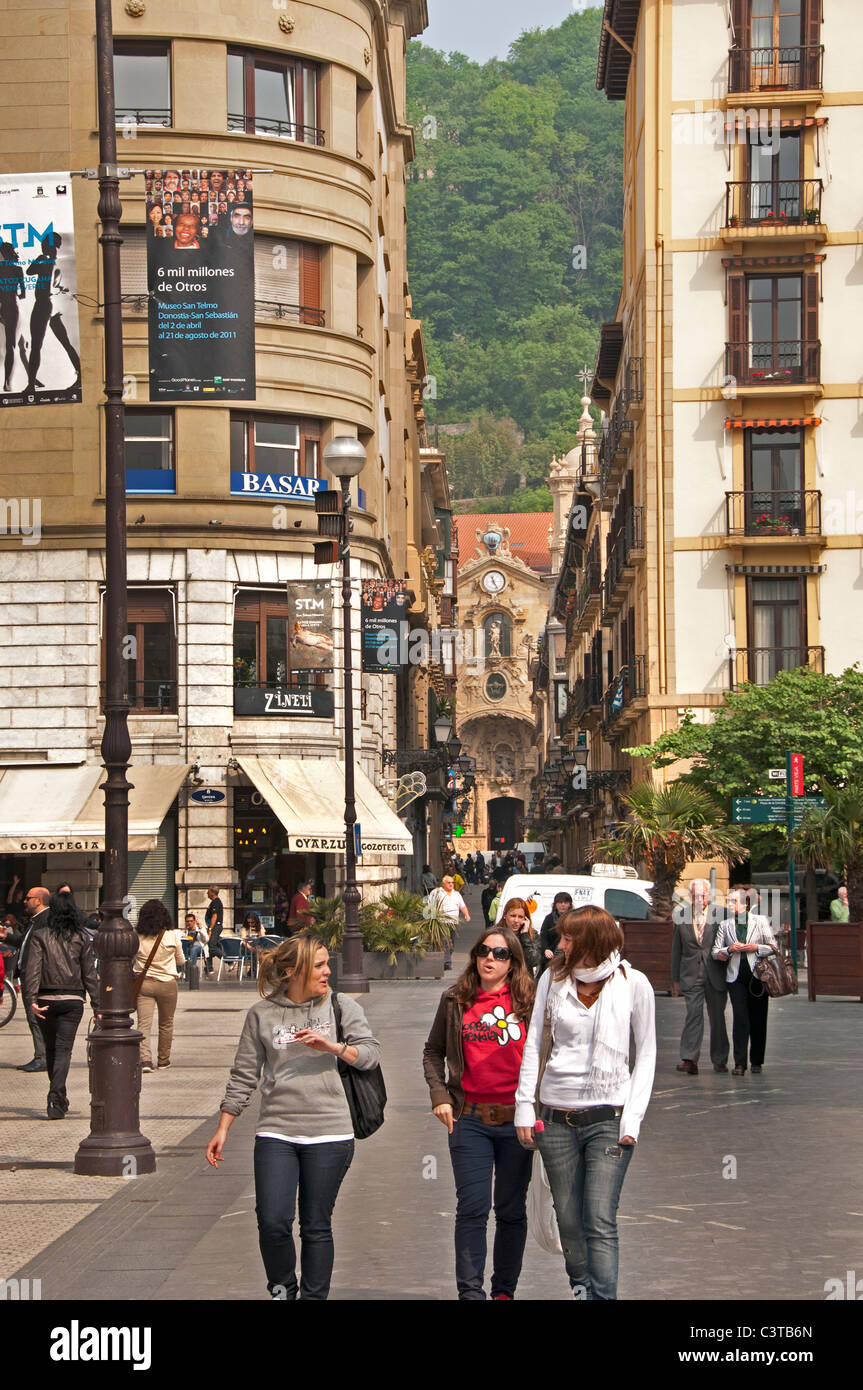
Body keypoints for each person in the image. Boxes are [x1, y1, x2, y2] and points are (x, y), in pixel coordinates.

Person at [206, 936, 380, 1300]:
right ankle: (283, 1290)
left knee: (316, 1226)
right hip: (276, 1131)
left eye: (326, 963)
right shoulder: (261, 1014)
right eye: (318, 965)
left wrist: (331, 1046)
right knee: (272, 1222)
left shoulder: (339, 1005)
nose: (327, 971)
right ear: (292, 972)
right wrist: (224, 1126)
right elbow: (243, 1075)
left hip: (330, 1132)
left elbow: (369, 1055)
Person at [515, 906, 656, 1301]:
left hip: (609, 1118)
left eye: (569, 938)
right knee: (569, 1219)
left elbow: (646, 1054)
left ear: (593, 941)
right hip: (555, 1117)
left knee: (599, 1218)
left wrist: (632, 1122)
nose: (560, 945)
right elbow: (533, 1043)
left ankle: (602, 1297)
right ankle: (582, 1287)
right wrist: (525, 1107)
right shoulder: (553, 979)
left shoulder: (634, 984)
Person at [423, 925, 536, 1300]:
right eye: (484, 951)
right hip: (468, 1118)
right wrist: (440, 1094)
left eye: (501, 954)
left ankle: (504, 1291)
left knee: (509, 1209)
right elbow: (432, 1051)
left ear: (513, 961)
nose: (490, 958)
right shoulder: (455, 999)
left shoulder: (529, 1002)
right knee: (472, 1206)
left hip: (516, 1123)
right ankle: (470, 1293)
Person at [22, 891, 99, 1118]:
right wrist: (98, 1006)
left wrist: (31, 1001)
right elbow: (90, 975)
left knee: (51, 1049)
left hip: (45, 999)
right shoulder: (81, 937)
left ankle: (56, 1096)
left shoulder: (40, 935)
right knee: (63, 1050)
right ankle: (57, 1097)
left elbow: (32, 972)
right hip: (72, 1000)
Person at [713, 887, 778, 1076]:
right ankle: (739, 1063)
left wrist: (756, 947)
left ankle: (757, 1060)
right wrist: (729, 949)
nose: (729, 904)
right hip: (736, 977)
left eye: (733, 901)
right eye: (728, 900)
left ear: (744, 903)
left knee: (758, 1018)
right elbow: (716, 951)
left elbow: (773, 946)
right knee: (740, 1018)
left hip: (758, 975)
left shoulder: (760, 921)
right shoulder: (725, 925)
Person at [671, 879, 730, 1075]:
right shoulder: (681, 916)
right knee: (693, 1015)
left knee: (718, 1018)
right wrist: (675, 980)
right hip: (691, 974)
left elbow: (729, 942)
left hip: (716, 973)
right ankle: (689, 1059)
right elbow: (676, 949)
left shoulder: (721, 915)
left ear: (709, 896)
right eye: (695, 896)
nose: (699, 899)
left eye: (703, 895)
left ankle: (720, 1060)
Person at [133, 899, 185, 1072]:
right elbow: (181, 960)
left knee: (143, 1024)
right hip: (167, 984)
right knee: (166, 1023)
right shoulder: (172, 936)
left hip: (144, 983)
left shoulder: (137, 936)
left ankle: (145, 1060)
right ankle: (163, 1060)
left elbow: (130, 959)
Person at [15, 886, 51, 1071]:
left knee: (35, 1017)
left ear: (38, 900)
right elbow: (25, 943)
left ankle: (42, 1058)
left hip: (36, 978)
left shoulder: (45, 920)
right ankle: (40, 1055)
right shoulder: (35, 921)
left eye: (28, 898)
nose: (25, 900)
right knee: (32, 1018)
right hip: (29, 976)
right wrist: (7, 938)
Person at [429, 874, 470, 971]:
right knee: (445, 942)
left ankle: (446, 958)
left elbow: (462, 906)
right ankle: (446, 962)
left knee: (452, 943)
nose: (451, 884)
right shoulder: (437, 893)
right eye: (449, 882)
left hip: (453, 922)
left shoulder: (456, 894)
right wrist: (430, 918)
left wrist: (466, 915)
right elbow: (430, 905)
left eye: (452, 882)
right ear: (443, 884)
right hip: (442, 922)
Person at [1, 242, 25, 392]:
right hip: (12, 308)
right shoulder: (17, 269)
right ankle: (7, 382)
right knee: (11, 346)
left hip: (2, 308)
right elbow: (23, 295)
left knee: (10, 346)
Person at [501, 898, 542, 977]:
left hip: (523, 981)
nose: (516, 920)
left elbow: (534, 961)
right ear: (505, 915)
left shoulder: (532, 935)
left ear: (525, 918)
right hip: (501, 980)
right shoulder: (496, 933)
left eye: (520, 917)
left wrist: (525, 936)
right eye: (513, 916)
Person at [538, 892, 574, 976]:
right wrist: (546, 949)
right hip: (551, 957)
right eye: (560, 902)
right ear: (555, 904)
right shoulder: (549, 918)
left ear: (570, 904)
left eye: (565, 902)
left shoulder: (574, 919)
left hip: (568, 955)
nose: (563, 905)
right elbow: (543, 936)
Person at [205, 886, 224, 967]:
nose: (207, 893)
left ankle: (229, 960)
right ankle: (209, 968)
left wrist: (210, 929)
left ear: (212, 892)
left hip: (215, 927)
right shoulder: (213, 902)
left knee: (212, 946)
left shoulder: (216, 902)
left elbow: (214, 916)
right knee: (208, 946)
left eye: (208, 891)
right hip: (213, 926)